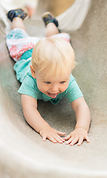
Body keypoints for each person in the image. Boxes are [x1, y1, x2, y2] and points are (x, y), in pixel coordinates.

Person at [6, 8, 91, 146]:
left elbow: (81, 105)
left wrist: (81, 128)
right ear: (34, 72)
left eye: (62, 81)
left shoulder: (67, 78)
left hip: (48, 54)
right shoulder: (30, 79)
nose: (55, 88)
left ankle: (51, 23)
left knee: (58, 41)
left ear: (69, 71)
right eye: (47, 82)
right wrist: (44, 128)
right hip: (27, 50)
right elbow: (29, 108)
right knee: (17, 36)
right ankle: (17, 17)